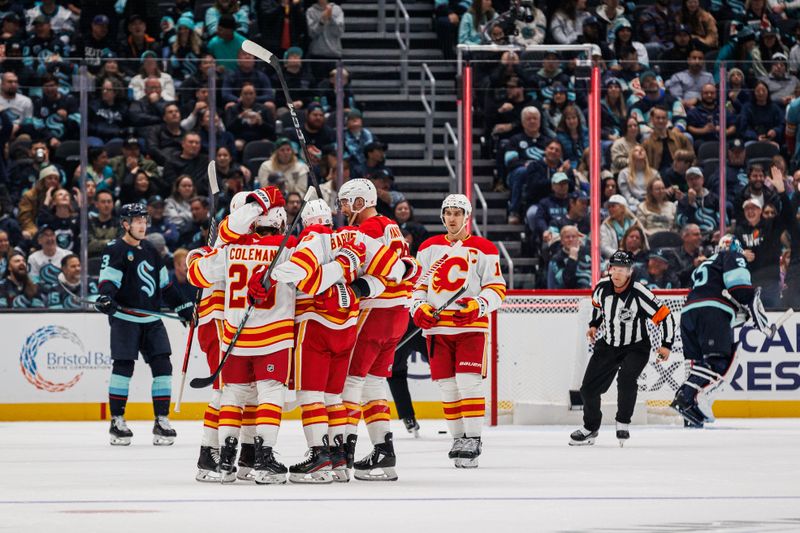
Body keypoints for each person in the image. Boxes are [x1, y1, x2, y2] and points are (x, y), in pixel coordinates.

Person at [267, 198, 406, 483]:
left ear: (306, 222)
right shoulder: (356, 236)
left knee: (311, 394)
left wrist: (330, 275)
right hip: (346, 327)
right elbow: (397, 269)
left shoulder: (309, 239)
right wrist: (355, 288)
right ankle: (339, 458)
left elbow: (300, 277)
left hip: (314, 325)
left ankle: (319, 457)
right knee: (334, 395)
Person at [187, 186, 292, 484]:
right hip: (235, 326)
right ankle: (217, 455)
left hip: (232, 331)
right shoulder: (282, 248)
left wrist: (200, 257)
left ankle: (236, 457)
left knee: (238, 393)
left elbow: (196, 272)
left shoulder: (230, 248)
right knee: (242, 392)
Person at [412, 193, 506, 467]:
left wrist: (478, 304)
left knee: (468, 382)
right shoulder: (429, 247)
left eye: (457, 212)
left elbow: (497, 288)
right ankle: (457, 438)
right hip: (438, 329)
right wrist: (418, 308)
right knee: (448, 387)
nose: (452, 218)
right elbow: (417, 286)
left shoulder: (484, 248)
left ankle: (473, 438)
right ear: (442, 216)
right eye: (448, 212)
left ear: (467, 217)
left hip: (470, 327)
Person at [95, 204, 194, 446]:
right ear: (125, 224)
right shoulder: (115, 249)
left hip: (151, 319)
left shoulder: (150, 249)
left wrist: (183, 307)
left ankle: (161, 420)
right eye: (136, 220)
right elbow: (108, 281)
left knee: (163, 366)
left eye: (144, 220)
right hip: (125, 320)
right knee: (124, 367)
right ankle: (117, 421)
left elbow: (165, 285)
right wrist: (106, 297)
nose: (142, 224)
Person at [337, 179, 415, 480]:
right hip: (396, 315)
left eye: (347, 202)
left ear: (360, 201)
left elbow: (354, 268)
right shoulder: (390, 225)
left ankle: (343, 454)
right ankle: (384, 452)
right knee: (373, 384)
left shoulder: (367, 230)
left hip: (375, 312)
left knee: (351, 381)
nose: (343, 208)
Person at [570, 250, 675, 446]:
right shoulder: (601, 287)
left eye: (622, 269)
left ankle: (623, 422)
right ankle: (590, 428)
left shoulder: (640, 292)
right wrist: (594, 325)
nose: (617, 273)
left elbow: (665, 316)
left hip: (636, 347)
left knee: (626, 378)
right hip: (608, 345)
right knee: (588, 390)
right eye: (614, 268)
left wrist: (666, 345)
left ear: (629, 271)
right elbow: (596, 306)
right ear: (609, 269)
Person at [671, 235, 771, 427]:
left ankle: (691, 407)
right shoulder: (732, 255)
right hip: (711, 311)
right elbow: (740, 287)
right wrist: (757, 314)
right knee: (718, 361)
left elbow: (714, 290)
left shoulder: (706, 264)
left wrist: (739, 313)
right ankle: (685, 397)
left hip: (689, 314)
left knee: (702, 363)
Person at [733, 168, 793, 308]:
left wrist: (782, 192)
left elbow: (788, 215)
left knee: (771, 320)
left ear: (760, 211)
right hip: (747, 285)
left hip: (770, 285)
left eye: (754, 208)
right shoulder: (739, 231)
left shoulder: (771, 226)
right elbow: (730, 255)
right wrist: (741, 254)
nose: (750, 211)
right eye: (747, 209)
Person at [676, 166, 720, 238]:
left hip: (713, 235)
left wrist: (718, 232)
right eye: (690, 179)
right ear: (687, 182)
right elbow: (681, 222)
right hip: (692, 238)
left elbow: (723, 220)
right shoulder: (683, 201)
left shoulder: (714, 198)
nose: (694, 181)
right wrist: (691, 204)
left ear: (702, 180)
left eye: (696, 178)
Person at [306, 0, 345, 81]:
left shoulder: (337, 9)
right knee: (318, 86)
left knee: (337, 86)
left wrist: (331, 18)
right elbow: (312, 33)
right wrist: (322, 21)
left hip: (334, 54)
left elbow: (339, 32)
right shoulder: (311, 11)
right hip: (317, 55)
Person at [547, 225, 591, 289]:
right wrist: (572, 259)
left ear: (578, 238)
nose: (571, 239)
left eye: (574, 236)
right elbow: (566, 282)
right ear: (562, 241)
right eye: (567, 237)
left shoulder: (588, 254)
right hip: (566, 296)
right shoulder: (556, 260)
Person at [88, 190, 118, 257]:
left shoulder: (120, 224)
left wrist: (99, 242)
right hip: (93, 261)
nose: (106, 205)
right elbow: (89, 245)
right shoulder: (90, 223)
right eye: (103, 202)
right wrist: (110, 242)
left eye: (109, 202)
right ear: (96, 204)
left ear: (113, 204)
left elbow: (120, 245)